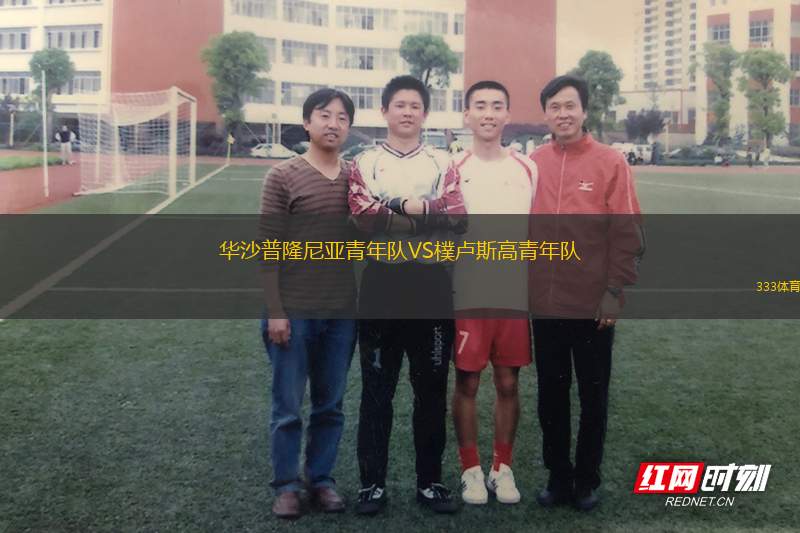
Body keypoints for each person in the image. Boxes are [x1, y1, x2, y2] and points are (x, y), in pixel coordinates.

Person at [349, 75, 465, 515]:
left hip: (431, 284)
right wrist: (422, 213)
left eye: (415, 105)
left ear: (425, 113)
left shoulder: (442, 160)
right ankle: (372, 485)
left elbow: (458, 215)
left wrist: (393, 206)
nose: (407, 112)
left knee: (431, 390)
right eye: (399, 104)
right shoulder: (365, 161)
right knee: (377, 389)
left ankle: (430, 482)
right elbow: (362, 216)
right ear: (384, 111)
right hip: (382, 283)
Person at [529, 75, 644, 512]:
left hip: (594, 305)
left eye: (570, 106)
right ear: (545, 114)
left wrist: (614, 290)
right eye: (554, 107)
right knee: (551, 395)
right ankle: (558, 477)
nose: (563, 114)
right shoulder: (533, 163)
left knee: (593, 396)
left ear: (584, 111)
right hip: (545, 304)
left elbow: (627, 231)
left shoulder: (610, 162)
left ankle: (586, 480)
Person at [259, 88, 358, 519]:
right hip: (294, 310)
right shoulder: (282, 176)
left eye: (342, 117)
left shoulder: (356, 178)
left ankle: (320, 480)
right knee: (287, 406)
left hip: (341, 313)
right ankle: (286, 485)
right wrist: (276, 311)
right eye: (324, 115)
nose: (333, 123)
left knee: (330, 404)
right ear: (306, 122)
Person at [450, 81, 536, 506]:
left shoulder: (527, 168)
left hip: (513, 296)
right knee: (467, 380)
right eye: (480, 106)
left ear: (507, 114)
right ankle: (470, 470)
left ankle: (503, 468)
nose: (488, 113)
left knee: (508, 381)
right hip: (468, 294)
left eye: (497, 105)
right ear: (467, 115)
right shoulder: (452, 166)